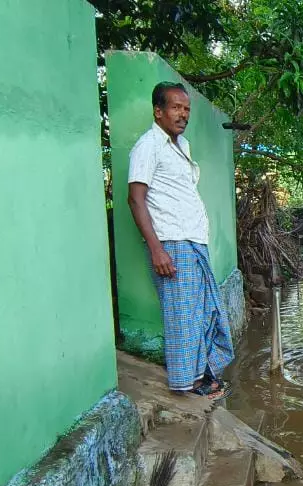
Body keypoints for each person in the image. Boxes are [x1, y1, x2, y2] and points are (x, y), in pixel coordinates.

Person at [127, 81, 232, 400]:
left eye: (186, 109)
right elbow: (135, 198)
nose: (183, 114)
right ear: (158, 112)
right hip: (171, 241)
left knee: (203, 312)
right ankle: (188, 382)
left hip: (192, 241)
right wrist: (157, 249)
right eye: (176, 107)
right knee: (182, 315)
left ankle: (203, 375)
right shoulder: (148, 146)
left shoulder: (181, 145)